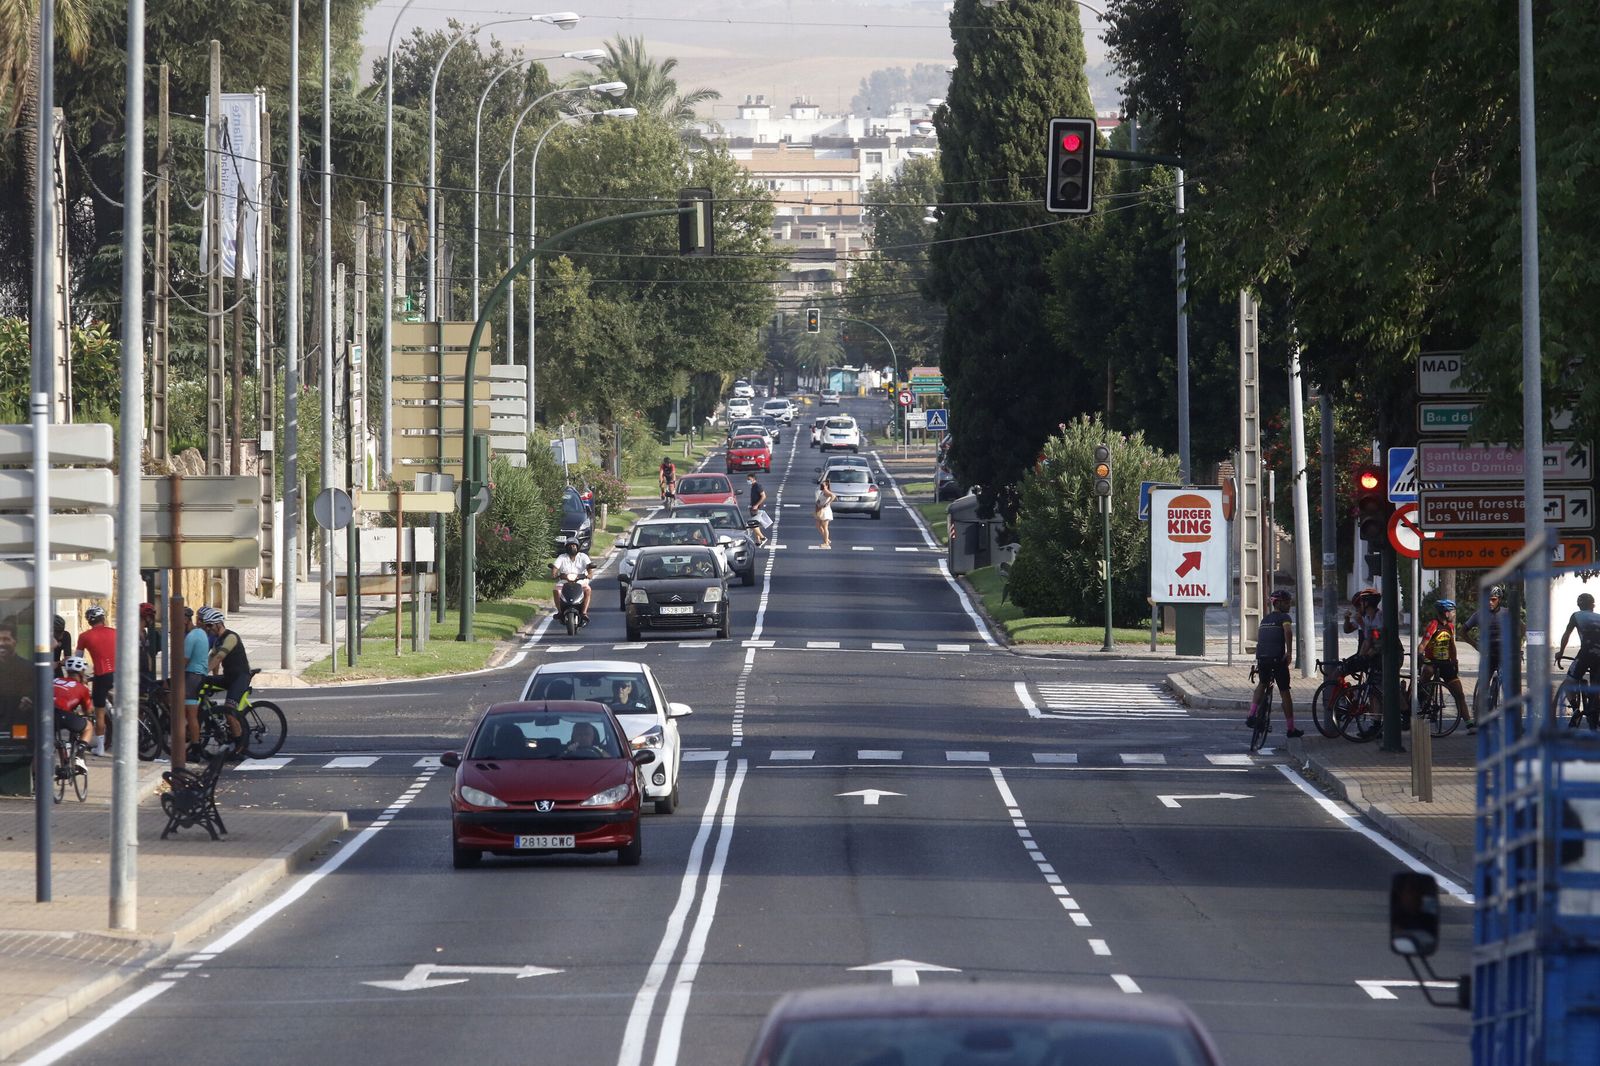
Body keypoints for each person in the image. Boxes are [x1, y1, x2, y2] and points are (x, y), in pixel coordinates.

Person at [1248, 589, 1303, 738]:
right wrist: (1290, 652)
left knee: (1262, 683)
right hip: (1277, 659)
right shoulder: (1284, 617)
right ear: (1277, 603)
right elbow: (1288, 632)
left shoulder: (1264, 619)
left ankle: (1251, 715)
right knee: (1284, 691)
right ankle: (1291, 729)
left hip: (1262, 657)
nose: (1289, 605)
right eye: (1286, 602)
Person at [1419, 599, 1473, 730]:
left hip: (1446, 663)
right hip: (1432, 662)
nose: (1454, 614)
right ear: (1446, 612)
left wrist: (1455, 661)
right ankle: (1422, 697)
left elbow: (1452, 646)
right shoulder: (1433, 625)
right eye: (1452, 611)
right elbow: (1423, 644)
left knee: (1459, 693)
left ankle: (1469, 722)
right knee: (1427, 672)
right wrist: (1421, 656)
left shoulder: (1450, 627)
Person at [1462, 586, 1513, 707]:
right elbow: (1462, 631)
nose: (1490, 602)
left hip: (1503, 654)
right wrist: (1475, 645)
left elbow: (1521, 628)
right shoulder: (1479, 614)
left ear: (1499, 599)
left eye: (1493, 599)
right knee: (1484, 686)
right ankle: (1479, 713)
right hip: (1488, 655)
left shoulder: (1507, 613)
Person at [76, 605, 116, 756]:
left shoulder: (85, 636)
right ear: (103, 619)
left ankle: (100, 748)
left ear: (89, 621)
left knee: (99, 712)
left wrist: (82, 676)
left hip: (102, 674)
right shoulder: (115, 632)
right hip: (120, 673)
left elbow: (77, 660)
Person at [1556, 592, 1600, 726]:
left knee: (1569, 682)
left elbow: (1566, 635)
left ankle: (1575, 709)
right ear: (1593, 605)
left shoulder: (1576, 616)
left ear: (1579, 605)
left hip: (1585, 654)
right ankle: (1595, 710)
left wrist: (1560, 652)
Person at [199, 606, 252, 713]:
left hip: (240, 677)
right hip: (228, 676)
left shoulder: (231, 637)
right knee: (201, 683)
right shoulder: (218, 640)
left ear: (219, 624)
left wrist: (205, 671)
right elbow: (211, 657)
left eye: (210, 625)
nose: (208, 628)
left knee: (229, 710)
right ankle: (210, 710)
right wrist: (198, 673)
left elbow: (219, 657)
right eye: (206, 626)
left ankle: (239, 730)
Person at [182, 607, 212, 758]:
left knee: (189, 715)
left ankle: (195, 748)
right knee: (190, 713)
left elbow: (184, 661)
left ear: (186, 620)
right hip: (199, 675)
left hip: (192, 676)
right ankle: (194, 745)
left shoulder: (191, 637)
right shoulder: (201, 633)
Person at [52, 655, 95, 757]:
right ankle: (79, 755)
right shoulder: (82, 687)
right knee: (88, 727)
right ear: (81, 673)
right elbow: (88, 711)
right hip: (62, 714)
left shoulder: (55, 680)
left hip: (44, 713)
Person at [550, 540, 595, 625]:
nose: (572, 548)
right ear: (566, 548)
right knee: (556, 590)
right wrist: (554, 573)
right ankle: (560, 612)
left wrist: (589, 574)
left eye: (574, 546)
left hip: (580, 581)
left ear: (577, 547)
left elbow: (589, 567)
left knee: (587, 590)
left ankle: (584, 612)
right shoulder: (562, 557)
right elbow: (555, 567)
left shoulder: (583, 556)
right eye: (570, 546)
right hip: (564, 581)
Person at [138, 603, 162, 678]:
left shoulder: (144, 633)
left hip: (145, 673)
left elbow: (145, 651)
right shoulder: (132, 633)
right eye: (151, 617)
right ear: (147, 617)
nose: (152, 620)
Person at [814, 474, 837, 549]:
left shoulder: (826, 492)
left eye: (823, 486)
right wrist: (818, 504)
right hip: (820, 510)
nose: (822, 487)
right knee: (818, 526)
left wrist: (828, 503)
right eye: (822, 485)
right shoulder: (822, 492)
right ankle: (826, 539)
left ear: (827, 486)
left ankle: (826, 542)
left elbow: (833, 496)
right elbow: (819, 500)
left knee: (825, 526)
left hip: (825, 511)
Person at [746, 473, 769, 545]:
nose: (747, 481)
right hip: (753, 508)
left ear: (754, 479)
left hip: (757, 509)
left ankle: (763, 538)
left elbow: (764, 496)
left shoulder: (757, 486)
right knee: (755, 524)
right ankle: (758, 540)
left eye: (749, 479)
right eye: (747, 479)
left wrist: (756, 505)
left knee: (752, 524)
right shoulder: (753, 486)